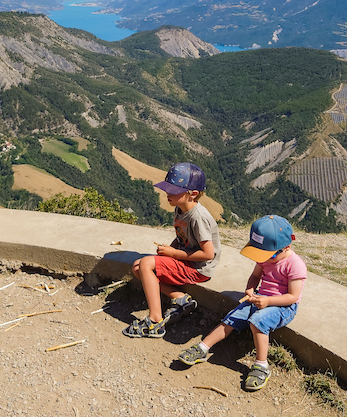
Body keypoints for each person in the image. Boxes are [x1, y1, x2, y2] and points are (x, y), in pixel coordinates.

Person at [176, 214, 306, 391]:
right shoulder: (266, 257)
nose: (263, 259)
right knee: (232, 317)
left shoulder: (295, 265)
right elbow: (255, 276)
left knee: (258, 321)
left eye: (268, 255)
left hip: (283, 306)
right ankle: (203, 347)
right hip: (260, 297)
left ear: (285, 247)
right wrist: (251, 289)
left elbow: (293, 296)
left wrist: (267, 301)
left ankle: (262, 365)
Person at [123, 162, 220, 338]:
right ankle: (180, 298)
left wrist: (173, 254)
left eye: (174, 191)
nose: (168, 193)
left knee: (145, 264)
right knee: (138, 268)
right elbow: (182, 236)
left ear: (193, 194)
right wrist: (171, 248)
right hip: (186, 260)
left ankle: (155, 322)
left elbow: (208, 254)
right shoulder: (180, 208)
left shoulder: (198, 218)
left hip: (198, 268)